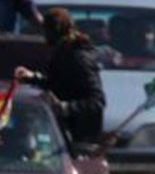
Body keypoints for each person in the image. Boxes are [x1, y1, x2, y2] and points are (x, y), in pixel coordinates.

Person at [24, 7, 106, 144]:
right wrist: (33, 78)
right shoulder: (63, 53)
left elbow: (97, 101)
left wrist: (65, 107)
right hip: (64, 132)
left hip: (80, 136)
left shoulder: (78, 58)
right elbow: (59, 84)